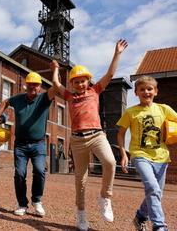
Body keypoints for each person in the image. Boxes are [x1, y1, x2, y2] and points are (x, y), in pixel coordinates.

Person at [50, 39, 128, 230]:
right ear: (73, 84)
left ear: (88, 81)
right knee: (80, 180)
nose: (80, 84)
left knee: (110, 162)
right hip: (77, 140)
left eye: (83, 81)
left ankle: (105, 198)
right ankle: (81, 215)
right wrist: (55, 68)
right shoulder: (69, 96)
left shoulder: (95, 91)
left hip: (97, 135)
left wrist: (117, 53)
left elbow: (110, 74)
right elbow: (55, 83)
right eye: (76, 82)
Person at [117, 76, 176, 231]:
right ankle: (159, 226)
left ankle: (140, 216)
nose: (146, 92)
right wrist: (124, 154)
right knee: (153, 188)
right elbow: (121, 133)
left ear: (155, 91)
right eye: (142, 89)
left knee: (156, 192)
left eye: (149, 89)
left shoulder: (164, 109)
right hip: (140, 155)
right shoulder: (130, 112)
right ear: (136, 93)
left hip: (162, 157)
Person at [0, 71, 55, 217]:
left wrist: (55, 70)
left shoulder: (44, 98)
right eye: (30, 84)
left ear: (40, 86)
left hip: (38, 144)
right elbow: (5, 102)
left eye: (35, 85)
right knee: (20, 174)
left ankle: (37, 200)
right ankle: (22, 204)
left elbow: (56, 87)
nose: (33, 87)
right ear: (26, 85)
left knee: (40, 171)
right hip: (20, 145)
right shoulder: (18, 99)